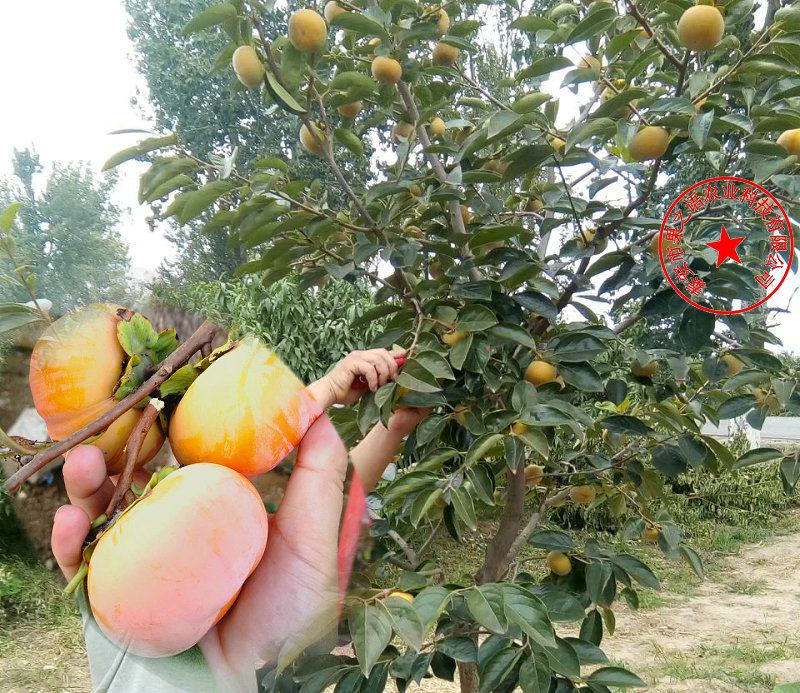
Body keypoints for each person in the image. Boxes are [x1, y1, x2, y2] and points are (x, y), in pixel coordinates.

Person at [51, 347, 428, 692]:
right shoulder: (217, 489)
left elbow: (322, 482)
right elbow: (261, 440)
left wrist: (375, 417)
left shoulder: (219, 491)